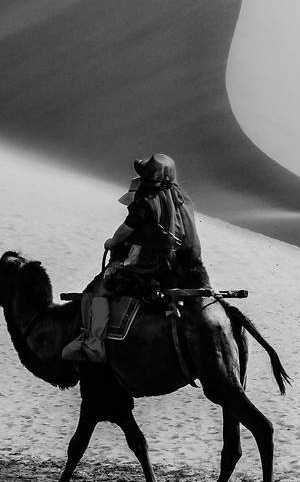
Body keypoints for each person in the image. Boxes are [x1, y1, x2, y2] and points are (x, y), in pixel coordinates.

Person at [62, 153, 206, 363]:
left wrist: (112, 242)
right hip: (182, 264)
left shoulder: (147, 202)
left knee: (100, 288)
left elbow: (126, 229)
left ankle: (94, 342)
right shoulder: (180, 198)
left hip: (153, 264)